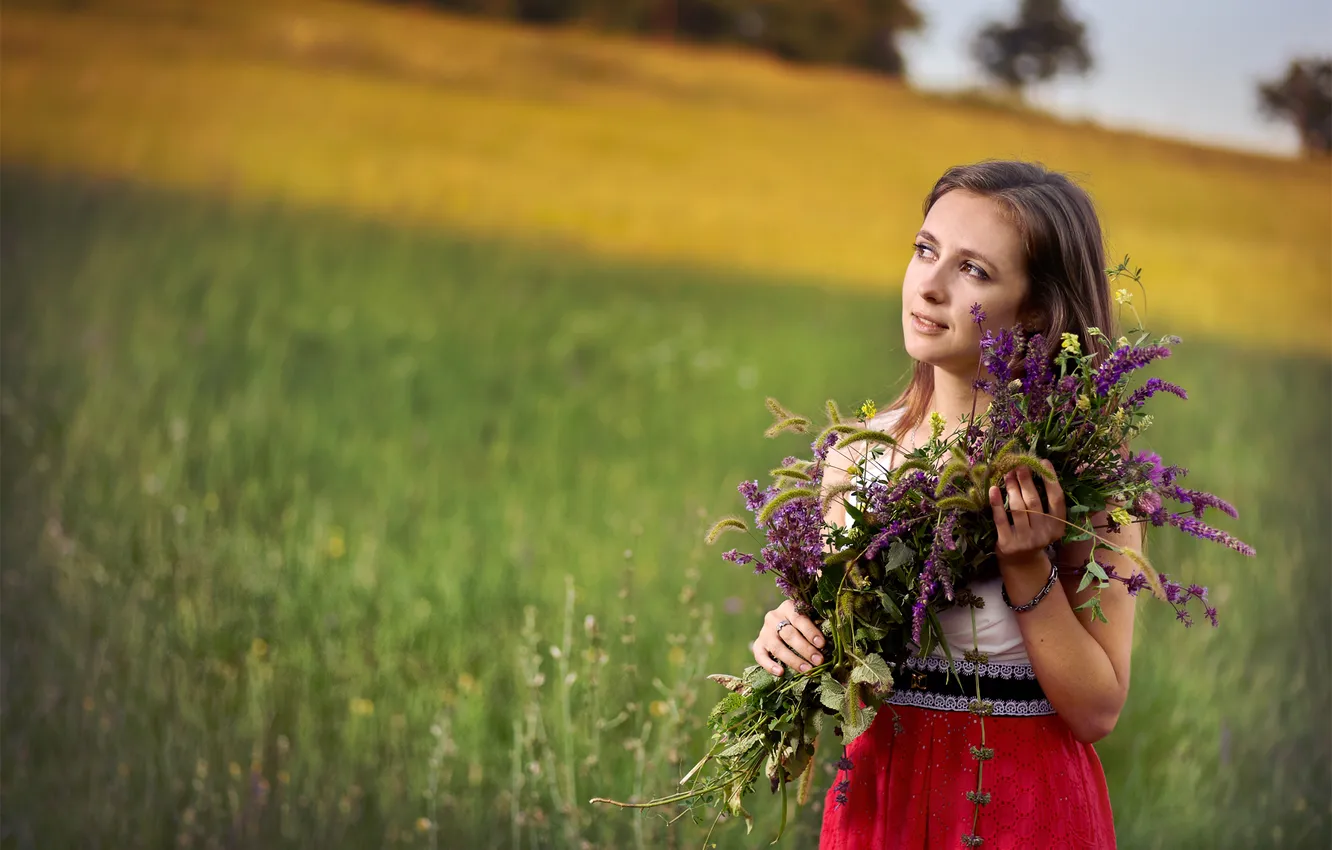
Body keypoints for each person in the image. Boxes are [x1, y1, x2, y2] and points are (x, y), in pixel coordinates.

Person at [751, 161, 1137, 848]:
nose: (928, 286)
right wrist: (793, 638)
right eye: (925, 250)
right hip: (881, 793)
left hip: (1020, 800)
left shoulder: (1081, 477)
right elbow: (857, 665)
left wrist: (1025, 566)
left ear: (1039, 310)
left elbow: (1098, 710)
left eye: (974, 271)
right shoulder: (853, 457)